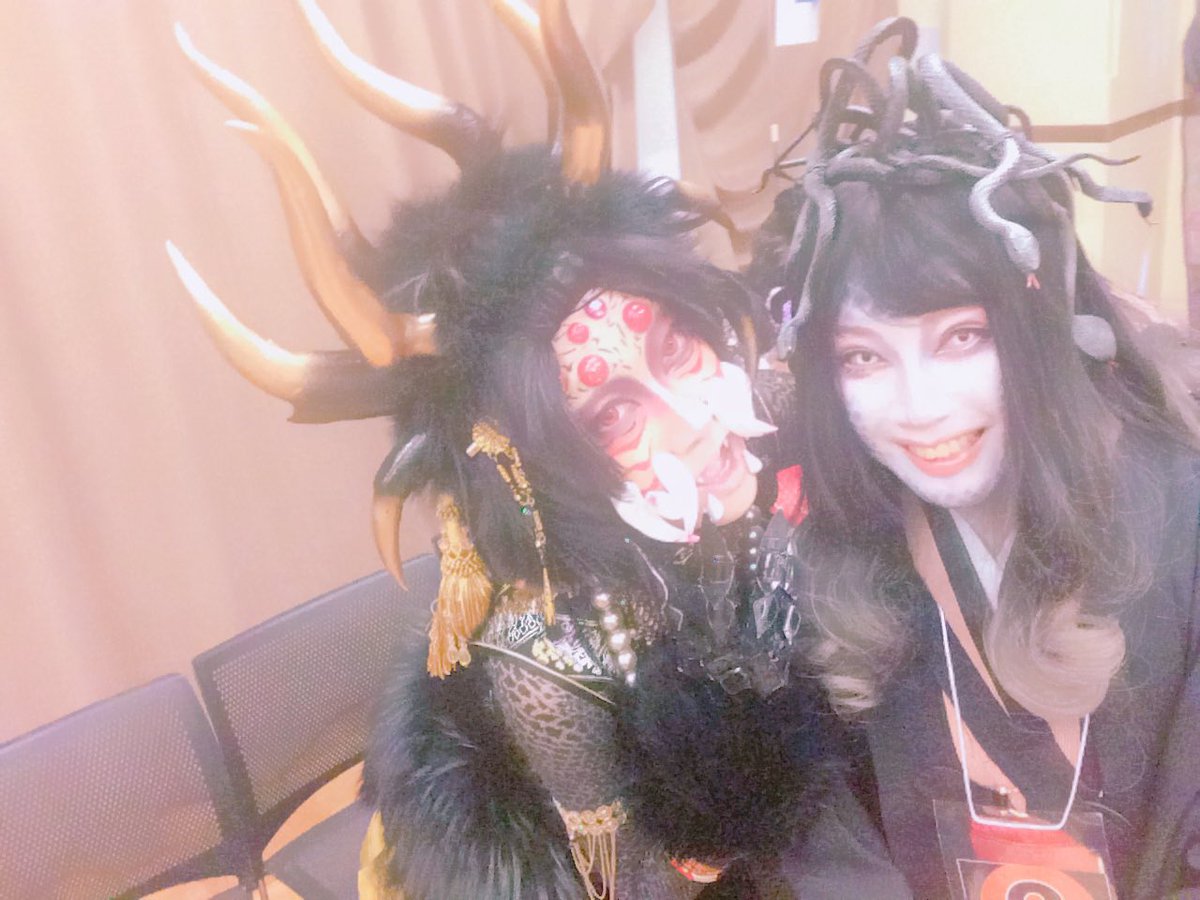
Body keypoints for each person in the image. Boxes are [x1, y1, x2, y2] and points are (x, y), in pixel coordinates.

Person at [167, 2, 907, 897]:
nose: (694, 419)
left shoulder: (758, 410)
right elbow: (627, 882)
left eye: (675, 347)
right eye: (614, 416)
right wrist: (726, 822)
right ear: (542, 468)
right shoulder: (550, 664)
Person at [751, 17, 1200, 900]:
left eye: (960, 337)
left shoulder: (1179, 509)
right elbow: (821, 829)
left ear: (1034, 328)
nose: (920, 408)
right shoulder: (820, 549)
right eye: (863, 357)